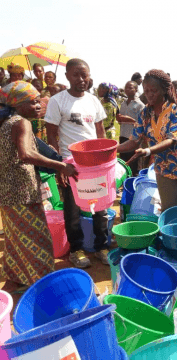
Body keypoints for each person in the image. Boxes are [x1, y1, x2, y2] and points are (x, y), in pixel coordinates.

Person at [0, 81, 77, 293]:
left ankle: (14, 281)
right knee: (39, 240)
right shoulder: (20, 123)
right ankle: (45, 286)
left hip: (6, 193)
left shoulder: (5, 123)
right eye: (33, 102)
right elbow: (26, 154)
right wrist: (60, 166)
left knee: (14, 240)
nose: (38, 106)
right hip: (23, 192)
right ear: (19, 105)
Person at [45, 58, 110, 268]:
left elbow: (100, 132)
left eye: (85, 75)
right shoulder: (57, 101)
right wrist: (59, 165)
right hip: (71, 163)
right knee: (72, 209)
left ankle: (102, 247)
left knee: (99, 207)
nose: (81, 79)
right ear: (67, 77)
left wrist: (105, 159)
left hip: (95, 163)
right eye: (76, 75)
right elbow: (51, 136)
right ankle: (76, 249)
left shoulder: (93, 101)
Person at [117, 69, 177, 211]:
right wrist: (112, 149)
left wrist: (148, 150)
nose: (149, 94)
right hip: (163, 165)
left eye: (153, 90)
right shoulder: (145, 113)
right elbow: (134, 140)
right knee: (168, 208)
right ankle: (169, 232)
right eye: (146, 90)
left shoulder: (176, 110)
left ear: (163, 90)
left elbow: (172, 139)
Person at [117, 81, 145, 175]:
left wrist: (130, 120)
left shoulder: (140, 105)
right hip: (123, 136)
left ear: (136, 89)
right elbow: (120, 121)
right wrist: (119, 119)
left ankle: (133, 183)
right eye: (126, 88)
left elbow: (142, 124)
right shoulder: (123, 104)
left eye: (130, 88)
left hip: (134, 139)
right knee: (123, 164)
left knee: (133, 165)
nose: (127, 90)